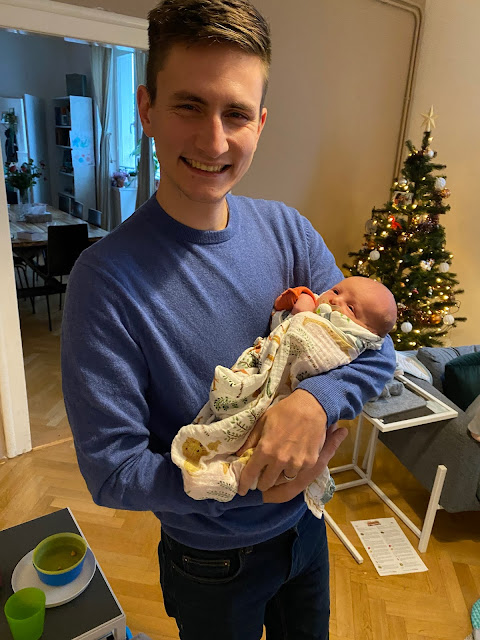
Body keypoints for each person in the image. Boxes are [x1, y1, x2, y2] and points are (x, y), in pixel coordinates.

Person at [61, 1, 396, 638]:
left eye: (236, 114)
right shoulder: (103, 284)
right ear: (146, 110)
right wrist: (244, 481)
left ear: (260, 123)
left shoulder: (289, 231)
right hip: (211, 563)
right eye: (189, 106)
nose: (214, 142)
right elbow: (112, 472)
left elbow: (377, 347)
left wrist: (315, 404)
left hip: (306, 529)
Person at [171, 276, 397, 517]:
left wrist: (316, 399)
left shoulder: (354, 334)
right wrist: (300, 299)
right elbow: (284, 311)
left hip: (298, 510)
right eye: (336, 291)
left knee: (258, 447)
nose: (335, 300)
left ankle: (229, 473)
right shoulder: (320, 305)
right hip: (202, 528)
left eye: (350, 308)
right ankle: (222, 470)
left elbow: (382, 352)